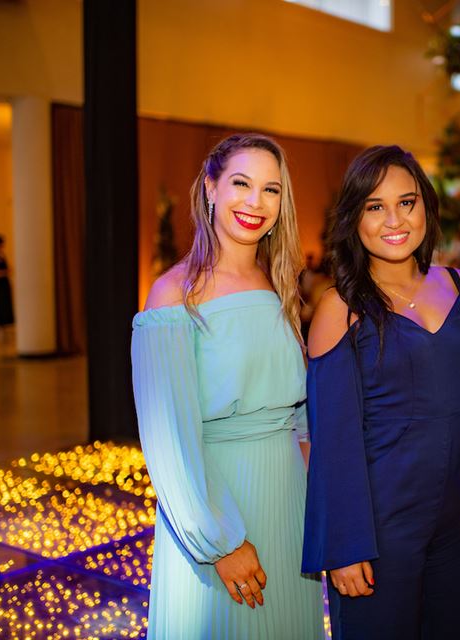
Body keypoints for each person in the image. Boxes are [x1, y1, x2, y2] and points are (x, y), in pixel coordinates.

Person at [130, 134, 324, 639]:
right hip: (217, 502)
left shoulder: (278, 284)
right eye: (241, 183)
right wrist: (219, 541)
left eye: (271, 190)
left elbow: (300, 412)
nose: (255, 203)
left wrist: (317, 508)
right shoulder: (175, 292)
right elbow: (168, 438)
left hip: (288, 499)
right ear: (210, 188)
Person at [303, 145, 460, 639]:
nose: (395, 219)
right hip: (377, 535)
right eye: (375, 206)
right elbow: (331, 443)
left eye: (407, 202)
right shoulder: (339, 309)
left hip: (452, 527)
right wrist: (344, 547)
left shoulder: (459, 287)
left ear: (426, 208)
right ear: (354, 218)